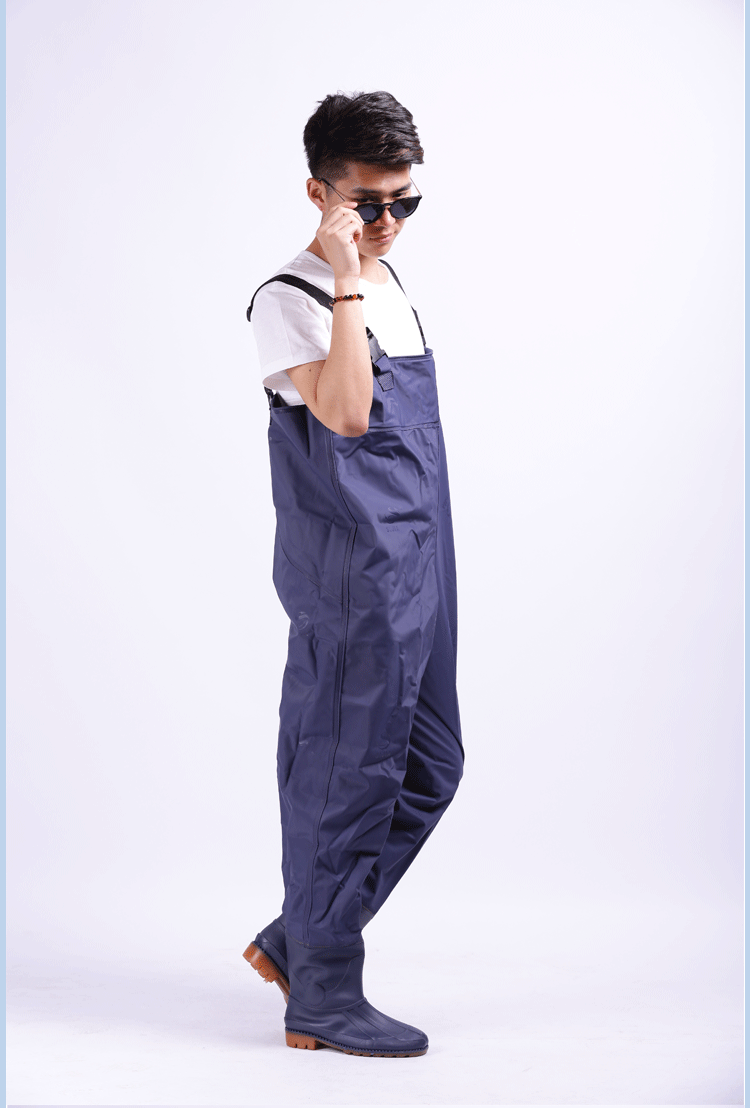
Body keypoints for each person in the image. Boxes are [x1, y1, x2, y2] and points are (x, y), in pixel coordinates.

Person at [244, 90, 464, 1058]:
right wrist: (341, 277)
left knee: (432, 763)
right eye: (366, 204)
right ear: (319, 194)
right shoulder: (291, 298)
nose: (387, 223)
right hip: (352, 573)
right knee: (349, 774)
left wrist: (364, 272)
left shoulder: (394, 282)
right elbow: (343, 415)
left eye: (404, 202)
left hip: (422, 556)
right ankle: (322, 997)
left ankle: (299, 938)